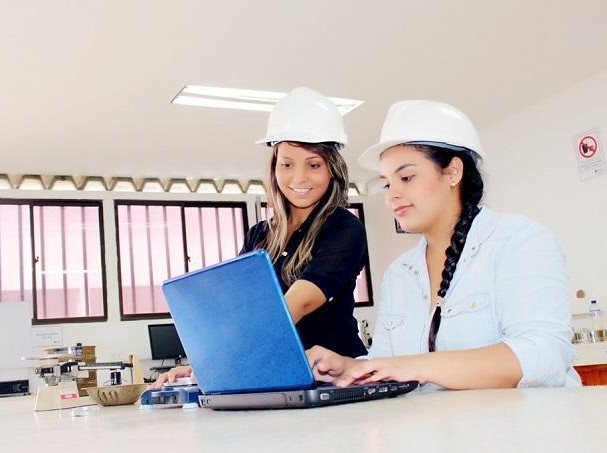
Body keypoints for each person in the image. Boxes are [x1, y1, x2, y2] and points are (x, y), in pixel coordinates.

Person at [307, 100, 581, 390]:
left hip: (526, 431)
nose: (392, 195)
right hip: (442, 432)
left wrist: (413, 366)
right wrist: (350, 368)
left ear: (453, 172)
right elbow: (386, 361)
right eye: (388, 183)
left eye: (407, 177)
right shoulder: (399, 274)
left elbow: (545, 356)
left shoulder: (519, 241)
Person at [153, 87, 369, 388]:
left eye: (314, 164)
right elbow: (242, 311)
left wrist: (214, 361)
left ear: (332, 170)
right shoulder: (259, 235)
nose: (299, 178)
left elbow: (299, 304)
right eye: (287, 164)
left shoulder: (344, 229)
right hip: (275, 374)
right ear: (274, 167)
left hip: (335, 378)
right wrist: (197, 367)